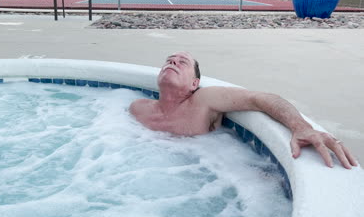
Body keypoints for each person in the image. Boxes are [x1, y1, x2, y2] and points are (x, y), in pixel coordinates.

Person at [130, 51, 358, 169]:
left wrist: (301, 127)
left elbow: (259, 98)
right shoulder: (137, 109)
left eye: (182, 62)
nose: (172, 63)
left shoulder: (202, 101)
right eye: (169, 60)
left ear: (194, 84)